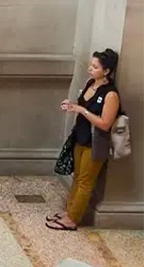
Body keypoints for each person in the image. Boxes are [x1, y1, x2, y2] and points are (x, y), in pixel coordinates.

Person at [47, 48, 123, 230]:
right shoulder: (91, 84)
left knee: (85, 182)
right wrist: (72, 105)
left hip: (95, 142)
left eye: (95, 67)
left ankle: (73, 219)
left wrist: (82, 110)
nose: (90, 68)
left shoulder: (110, 94)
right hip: (80, 137)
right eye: (91, 65)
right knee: (78, 177)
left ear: (106, 71)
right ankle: (70, 211)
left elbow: (105, 123)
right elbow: (82, 106)